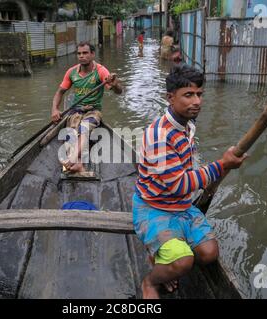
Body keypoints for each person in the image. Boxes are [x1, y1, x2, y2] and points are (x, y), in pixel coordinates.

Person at [133, 64, 248, 299]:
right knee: (183, 261)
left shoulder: (187, 125)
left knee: (209, 253)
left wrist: (215, 170)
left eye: (199, 94)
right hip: (154, 207)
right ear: (170, 98)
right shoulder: (159, 136)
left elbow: (188, 172)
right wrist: (222, 165)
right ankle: (151, 281)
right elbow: (179, 185)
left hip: (181, 206)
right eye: (188, 95)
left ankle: (163, 257)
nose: (196, 101)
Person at [51, 41, 123, 173]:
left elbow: (118, 92)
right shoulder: (71, 72)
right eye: (79, 53)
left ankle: (72, 159)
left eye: (85, 53)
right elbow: (59, 92)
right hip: (75, 111)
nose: (81, 56)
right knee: (71, 134)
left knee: (84, 128)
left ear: (92, 54)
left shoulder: (101, 71)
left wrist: (115, 84)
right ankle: (79, 164)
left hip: (93, 111)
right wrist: (55, 109)